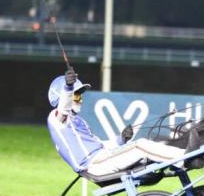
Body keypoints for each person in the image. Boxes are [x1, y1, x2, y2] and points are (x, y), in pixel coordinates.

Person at [47, 67, 185, 177]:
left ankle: (179, 160)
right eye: (76, 96)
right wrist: (68, 87)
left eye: (80, 96)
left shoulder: (78, 121)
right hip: (95, 164)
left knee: (145, 145)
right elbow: (63, 109)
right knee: (140, 146)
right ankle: (185, 158)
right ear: (63, 96)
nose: (80, 99)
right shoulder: (56, 119)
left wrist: (120, 139)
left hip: (101, 159)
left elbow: (101, 146)